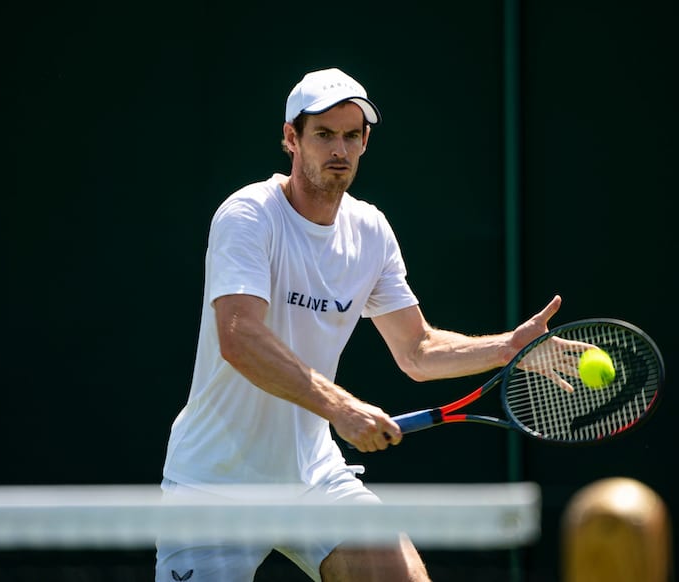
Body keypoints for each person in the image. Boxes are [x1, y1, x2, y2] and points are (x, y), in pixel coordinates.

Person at [156, 67, 570, 582]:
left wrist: (507, 348)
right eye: (324, 134)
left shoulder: (370, 230)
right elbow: (239, 337)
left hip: (313, 476)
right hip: (215, 483)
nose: (339, 149)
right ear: (291, 139)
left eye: (352, 135)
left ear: (365, 141)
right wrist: (343, 408)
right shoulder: (248, 215)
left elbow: (417, 350)